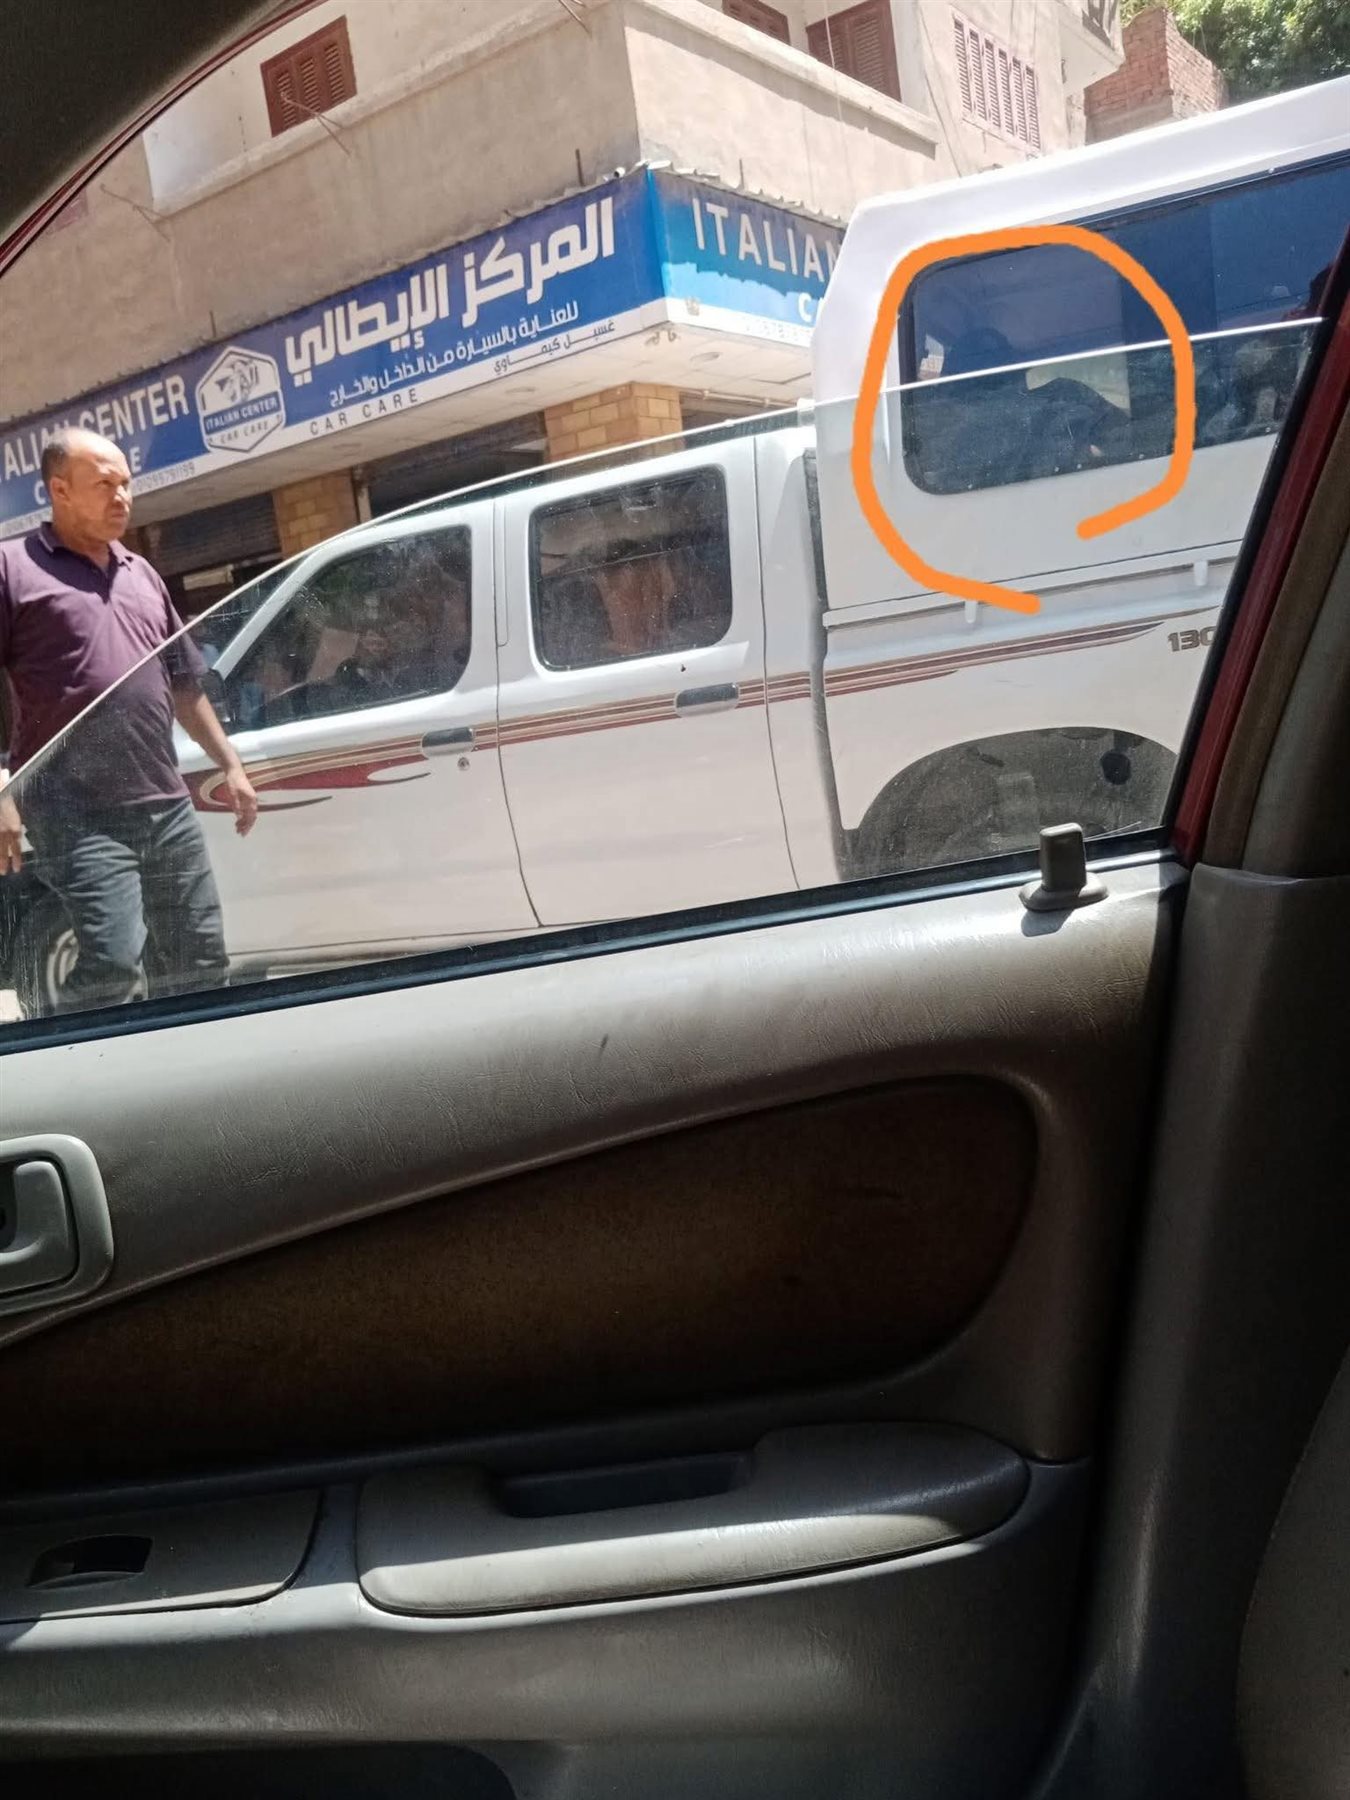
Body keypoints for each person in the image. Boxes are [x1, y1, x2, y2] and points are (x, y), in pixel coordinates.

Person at [0, 427, 258, 1012]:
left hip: (164, 805)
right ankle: (69, 1059)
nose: (122, 497)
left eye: (126, 483)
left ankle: (192, 1058)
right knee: (113, 966)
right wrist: (3, 792)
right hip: (73, 812)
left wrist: (230, 765)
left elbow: (184, 684)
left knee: (200, 958)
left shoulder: (141, 573)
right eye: (104, 484)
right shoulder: (14, 569)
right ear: (59, 490)